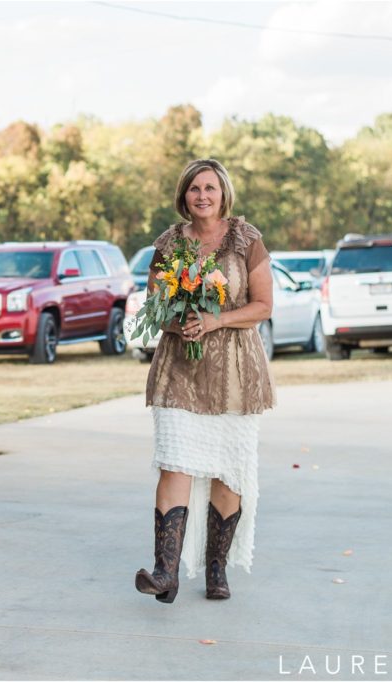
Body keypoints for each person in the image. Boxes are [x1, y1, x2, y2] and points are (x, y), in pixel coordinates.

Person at [135, 158, 276, 603]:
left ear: (223, 193)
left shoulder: (246, 239)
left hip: (236, 368)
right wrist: (182, 325)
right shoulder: (168, 244)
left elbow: (263, 305)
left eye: (210, 188)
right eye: (194, 188)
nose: (202, 196)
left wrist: (216, 321)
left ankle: (217, 569)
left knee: (228, 469)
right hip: (180, 369)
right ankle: (165, 572)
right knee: (174, 459)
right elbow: (155, 305)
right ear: (184, 195)